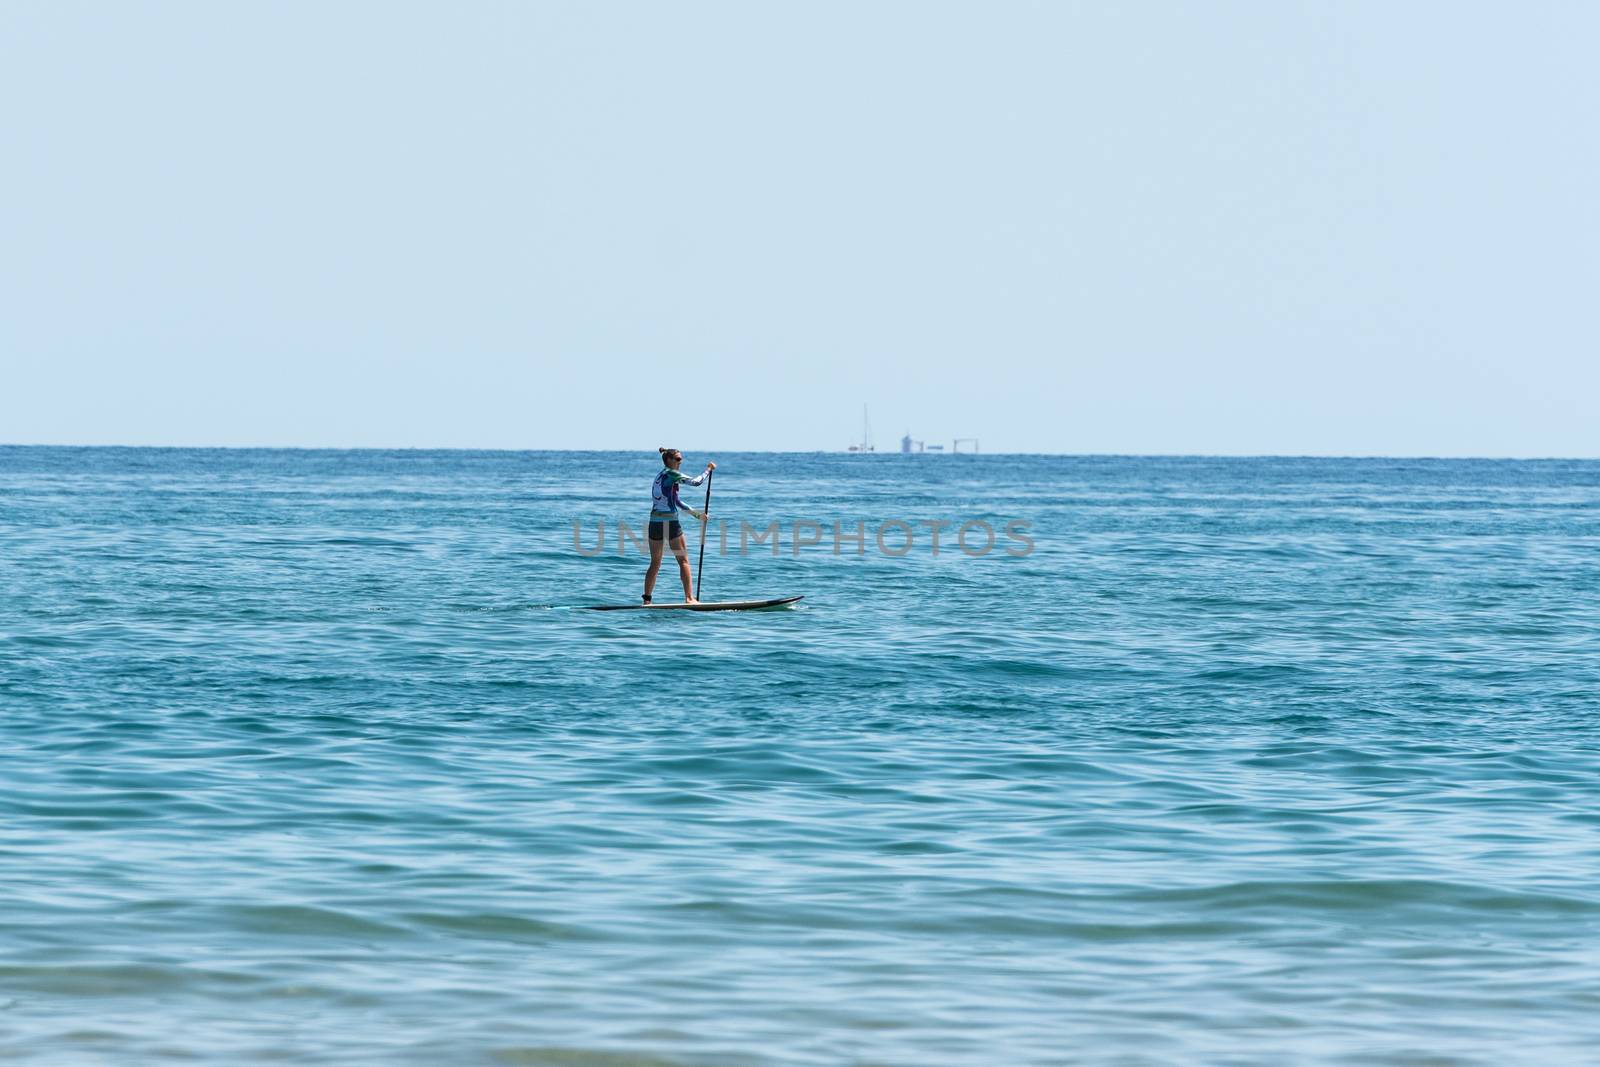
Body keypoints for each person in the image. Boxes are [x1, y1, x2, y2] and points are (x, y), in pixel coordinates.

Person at [644, 448, 715, 604]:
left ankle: (647, 601)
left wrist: (698, 515)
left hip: (654, 522)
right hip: (670, 523)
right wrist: (708, 469)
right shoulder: (672, 474)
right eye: (677, 459)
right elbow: (696, 482)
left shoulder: (660, 476)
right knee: (683, 561)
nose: (680, 462)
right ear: (669, 460)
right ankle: (689, 598)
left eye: (681, 459)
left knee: (655, 563)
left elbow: (676, 501)